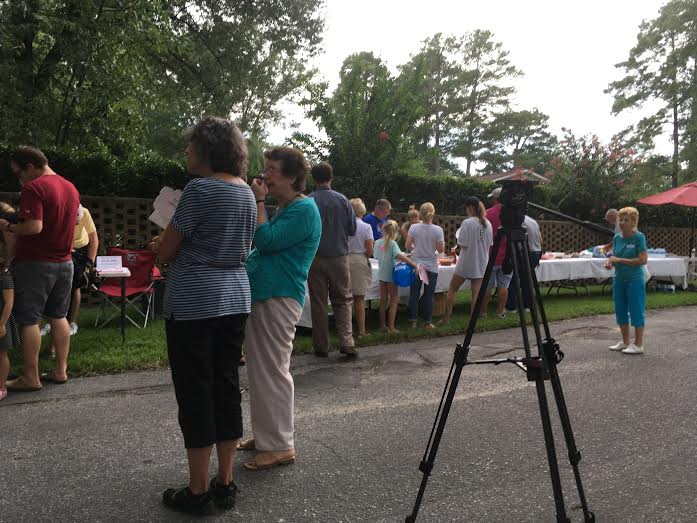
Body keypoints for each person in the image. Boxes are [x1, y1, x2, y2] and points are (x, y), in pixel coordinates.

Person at [150, 117, 257, 515]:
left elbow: (167, 252)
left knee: (195, 392)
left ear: (207, 149)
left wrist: (161, 244)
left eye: (191, 144)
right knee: (226, 387)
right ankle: (225, 482)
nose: (187, 151)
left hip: (195, 302)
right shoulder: (246, 192)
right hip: (235, 297)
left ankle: (197, 493)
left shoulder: (199, 189)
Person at [237, 147, 321, 471]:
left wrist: (258, 202)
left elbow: (267, 241)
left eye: (272, 170)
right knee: (261, 371)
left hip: (279, 297)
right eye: (266, 168)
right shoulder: (288, 208)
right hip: (268, 295)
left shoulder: (305, 210)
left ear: (292, 176)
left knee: (272, 371)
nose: (265, 175)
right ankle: (267, 436)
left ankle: (280, 445)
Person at [2, 146, 79, 392]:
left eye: (19, 173)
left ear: (30, 167)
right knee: (58, 316)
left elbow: (34, 226)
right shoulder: (70, 187)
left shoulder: (34, 187)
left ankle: (30, 377)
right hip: (65, 262)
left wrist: (9, 227)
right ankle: (61, 370)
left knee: (29, 319)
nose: (19, 179)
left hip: (36, 263)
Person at [307, 162, 357, 358]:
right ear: (331, 177)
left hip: (314, 258)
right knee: (343, 299)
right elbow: (352, 229)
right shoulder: (343, 200)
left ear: (313, 179)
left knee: (318, 302)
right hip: (338, 257)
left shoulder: (308, 201)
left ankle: (321, 346)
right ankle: (347, 341)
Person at [442, 197, 493, 323]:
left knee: (452, 289)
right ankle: (472, 321)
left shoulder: (467, 223)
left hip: (466, 262)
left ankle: (446, 319)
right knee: (476, 293)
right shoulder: (488, 224)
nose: (466, 211)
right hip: (482, 262)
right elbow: (489, 244)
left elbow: (463, 244)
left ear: (470, 208)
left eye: (466, 208)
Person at [606, 207, 647, 355]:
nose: (622, 222)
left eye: (626, 220)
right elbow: (615, 257)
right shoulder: (617, 238)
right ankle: (625, 342)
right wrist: (610, 263)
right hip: (619, 280)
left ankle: (638, 344)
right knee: (620, 311)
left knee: (636, 311)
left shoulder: (639, 237)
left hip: (634, 280)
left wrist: (619, 260)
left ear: (633, 222)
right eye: (620, 220)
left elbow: (642, 260)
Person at [406, 202, 444, 329]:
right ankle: (428, 322)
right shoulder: (438, 230)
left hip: (417, 265)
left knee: (414, 293)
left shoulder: (414, 227)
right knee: (429, 294)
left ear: (420, 214)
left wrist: (415, 248)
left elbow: (407, 245)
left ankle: (413, 321)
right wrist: (433, 251)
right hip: (431, 265)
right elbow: (440, 249)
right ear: (433, 213)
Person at [374, 220, 417, 332]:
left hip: (381, 275)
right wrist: (413, 264)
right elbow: (400, 256)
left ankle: (382, 325)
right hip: (391, 276)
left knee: (383, 300)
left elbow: (376, 256)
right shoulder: (393, 244)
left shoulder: (377, 242)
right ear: (395, 232)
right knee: (394, 300)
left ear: (383, 230)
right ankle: (391, 327)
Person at [481, 187, 512, 319]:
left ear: (495, 199)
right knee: (503, 286)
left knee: (487, 286)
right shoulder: (511, 215)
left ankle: (483, 312)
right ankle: (500, 312)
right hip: (507, 256)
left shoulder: (487, 214)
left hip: (490, 255)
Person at [68, 204, 99, 334]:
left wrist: (89, 263)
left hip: (81, 248)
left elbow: (94, 239)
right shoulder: (58, 211)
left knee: (76, 285)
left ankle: (73, 322)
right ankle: (52, 322)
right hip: (64, 247)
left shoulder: (84, 212)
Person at [347, 198, 374, 337]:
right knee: (359, 298)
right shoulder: (366, 227)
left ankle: (346, 331)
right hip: (359, 259)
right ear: (362, 211)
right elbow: (370, 250)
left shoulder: (343, 225)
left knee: (346, 299)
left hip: (344, 259)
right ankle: (361, 331)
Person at [506, 214, 543, 312]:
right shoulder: (532, 221)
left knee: (512, 278)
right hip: (536, 252)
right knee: (527, 280)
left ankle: (511, 306)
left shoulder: (518, 221)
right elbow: (540, 239)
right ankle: (528, 305)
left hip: (526, 252)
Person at [0, 216, 19, 402]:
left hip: (1, 321)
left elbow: (9, 302)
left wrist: (2, 324)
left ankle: (1, 386)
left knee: (1, 354)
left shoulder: (4, 276)